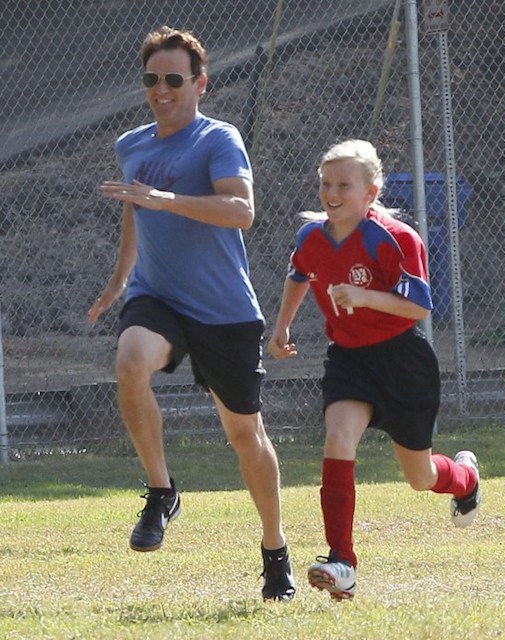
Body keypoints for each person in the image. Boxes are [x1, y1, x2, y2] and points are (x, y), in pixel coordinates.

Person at [88, 26, 295, 601]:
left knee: (246, 437)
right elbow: (137, 209)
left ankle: (275, 548)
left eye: (174, 79)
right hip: (158, 297)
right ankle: (161, 491)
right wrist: (121, 279)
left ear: (200, 83)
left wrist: (168, 200)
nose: (161, 89)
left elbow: (242, 211)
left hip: (224, 312)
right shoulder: (132, 145)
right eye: (152, 79)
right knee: (130, 361)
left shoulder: (218, 139)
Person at [267, 139, 481, 601]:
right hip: (349, 358)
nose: (332, 192)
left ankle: (466, 477)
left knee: (420, 476)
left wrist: (363, 296)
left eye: (344, 184)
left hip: (402, 360)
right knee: (338, 439)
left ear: (372, 191)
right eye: (326, 183)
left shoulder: (396, 239)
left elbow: (418, 305)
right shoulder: (312, 237)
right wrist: (281, 327)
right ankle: (342, 562)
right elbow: (300, 274)